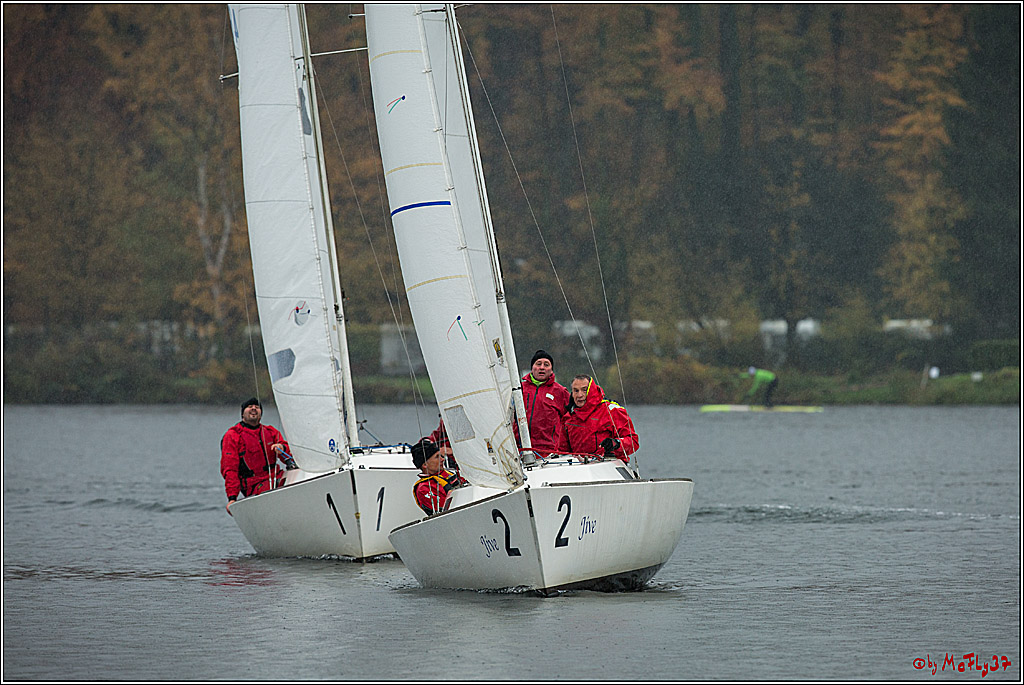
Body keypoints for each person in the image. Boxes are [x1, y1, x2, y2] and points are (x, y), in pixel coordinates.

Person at [220, 397, 296, 515]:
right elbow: (230, 469)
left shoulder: (270, 432)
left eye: (257, 407)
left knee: (300, 477)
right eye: (250, 407)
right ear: (242, 414)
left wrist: (282, 448)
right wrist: (232, 498)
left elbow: (290, 455)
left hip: (276, 477)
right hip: (254, 485)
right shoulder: (233, 436)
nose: (254, 409)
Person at [556, 375, 639, 462]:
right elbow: (562, 451)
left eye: (584, 390)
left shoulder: (612, 411)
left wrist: (616, 443)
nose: (580, 395)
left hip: (609, 465)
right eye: (576, 391)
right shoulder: (569, 418)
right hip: (580, 468)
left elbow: (633, 441)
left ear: (591, 390)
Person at [512, 349, 571, 457]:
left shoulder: (561, 392)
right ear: (532, 368)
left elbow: (571, 420)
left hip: (550, 452)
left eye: (546, 364)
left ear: (552, 370)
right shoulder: (518, 389)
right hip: (519, 450)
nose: (542, 367)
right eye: (538, 364)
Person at [410, 439, 465, 515]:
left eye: (441, 456)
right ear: (425, 465)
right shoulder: (423, 488)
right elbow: (447, 509)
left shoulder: (448, 473)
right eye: (437, 457)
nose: (442, 459)